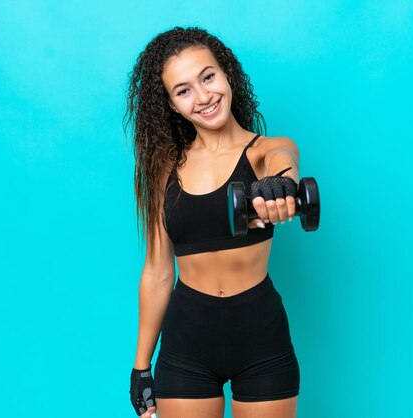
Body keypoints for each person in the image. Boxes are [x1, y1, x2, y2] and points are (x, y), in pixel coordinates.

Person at [123, 26, 302, 418]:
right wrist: (141, 367)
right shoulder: (165, 171)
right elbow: (156, 272)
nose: (204, 97)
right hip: (187, 343)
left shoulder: (266, 150)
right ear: (170, 104)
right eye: (183, 90)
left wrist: (278, 188)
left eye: (208, 77)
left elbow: (283, 166)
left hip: (261, 338)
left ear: (226, 74)